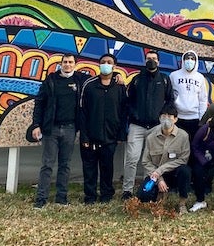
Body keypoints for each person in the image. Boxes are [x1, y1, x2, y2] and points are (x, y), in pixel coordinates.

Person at [30, 53, 90, 208]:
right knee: (47, 164)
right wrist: (36, 124)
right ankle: (41, 199)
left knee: (65, 164)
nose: (68, 65)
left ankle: (61, 198)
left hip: (70, 129)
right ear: (60, 64)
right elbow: (39, 103)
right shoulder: (51, 80)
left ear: (75, 64)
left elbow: (100, 80)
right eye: (65, 62)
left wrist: (117, 76)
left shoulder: (80, 80)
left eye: (70, 62)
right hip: (51, 129)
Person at [122, 49, 173, 200]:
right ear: (145, 61)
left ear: (159, 62)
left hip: (156, 126)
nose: (151, 61)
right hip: (137, 126)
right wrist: (134, 114)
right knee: (132, 158)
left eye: (154, 59)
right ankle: (127, 190)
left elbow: (170, 100)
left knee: (150, 161)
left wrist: (162, 116)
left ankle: (147, 189)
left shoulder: (164, 79)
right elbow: (128, 101)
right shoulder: (137, 79)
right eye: (148, 58)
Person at [78, 53, 127, 204]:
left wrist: (120, 135)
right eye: (103, 62)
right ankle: (90, 196)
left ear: (114, 66)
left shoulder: (119, 87)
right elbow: (82, 111)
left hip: (110, 136)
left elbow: (124, 112)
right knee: (90, 169)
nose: (106, 64)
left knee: (107, 168)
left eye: (109, 62)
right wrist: (84, 136)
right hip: (90, 136)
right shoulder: (89, 85)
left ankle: (106, 195)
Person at [139, 105, 192, 214]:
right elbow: (146, 161)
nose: (166, 119)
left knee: (185, 171)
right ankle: (160, 195)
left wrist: (160, 171)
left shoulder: (183, 136)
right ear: (159, 118)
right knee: (143, 196)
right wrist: (159, 179)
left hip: (175, 174)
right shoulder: (151, 137)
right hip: (156, 176)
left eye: (170, 116)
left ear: (176, 119)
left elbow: (183, 159)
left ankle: (182, 204)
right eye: (164, 116)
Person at [170, 49, 209, 143]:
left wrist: (202, 119)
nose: (190, 61)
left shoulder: (200, 77)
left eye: (192, 59)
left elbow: (203, 100)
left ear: (196, 61)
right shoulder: (174, 76)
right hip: (178, 118)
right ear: (183, 60)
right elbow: (170, 96)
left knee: (193, 146)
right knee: (177, 146)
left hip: (194, 119)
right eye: (187, 58)